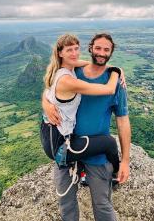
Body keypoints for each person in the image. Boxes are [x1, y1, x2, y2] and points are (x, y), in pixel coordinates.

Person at [42, 32, 131, 221]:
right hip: (68, 147)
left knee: (102, 203)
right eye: (98, 48)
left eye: (107, 50)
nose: (102, 53)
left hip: (95, 154)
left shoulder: (117, 86)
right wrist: (46, 104)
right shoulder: (74, 73)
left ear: (110, 53)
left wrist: (125, 161)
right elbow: (50, 88)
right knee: (65, 200)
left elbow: (123, 122)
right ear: (91, 48)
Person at [40, 33, 122, 183]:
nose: (74, 53)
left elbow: (47, 92)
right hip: (60, 146)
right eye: (69, 50)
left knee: (84, 134)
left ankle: (81, 171)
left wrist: (113, 67)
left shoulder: (65, 68)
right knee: (109, 143)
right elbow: (109, 89)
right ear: (60, 53)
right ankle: (116, 174)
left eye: (76, 48)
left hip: (52, 134)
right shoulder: (67, 80)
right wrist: (116, 72)